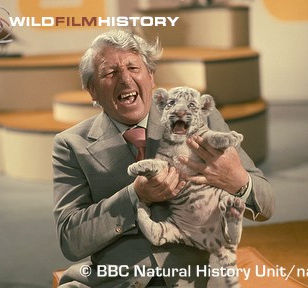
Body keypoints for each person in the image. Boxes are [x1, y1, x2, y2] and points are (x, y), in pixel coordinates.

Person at [52, 29, 274, 288]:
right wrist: (136, 196)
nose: (124, 79)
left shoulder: (200, 119)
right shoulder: (71, 144)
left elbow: (266, 204)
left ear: (151, 77)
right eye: (110, 73)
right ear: (92, 90)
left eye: (133, 68)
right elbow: (70, 239)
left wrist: (237, 180)